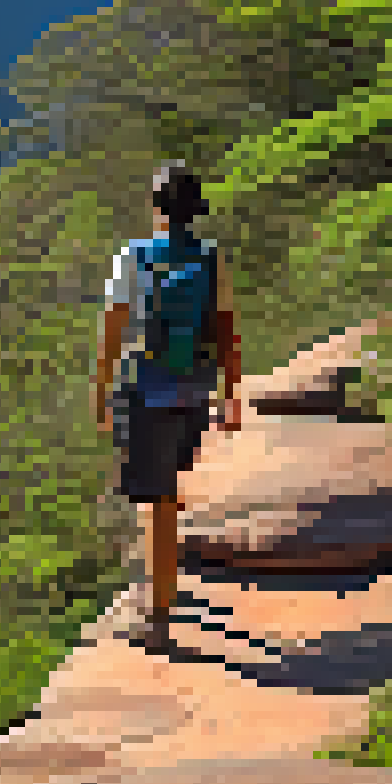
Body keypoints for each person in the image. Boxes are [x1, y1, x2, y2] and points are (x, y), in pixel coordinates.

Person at [94, 161, 242, 653]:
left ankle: (157, 618)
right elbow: (226, 331)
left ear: (157, 209)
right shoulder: (210, 258)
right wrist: (231, 394)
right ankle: (162, 590)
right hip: (194, 391)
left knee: (154, 502)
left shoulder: (132, 257)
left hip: (145, 392)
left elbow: (114, 331)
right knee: (168, 493)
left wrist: (100, 390)